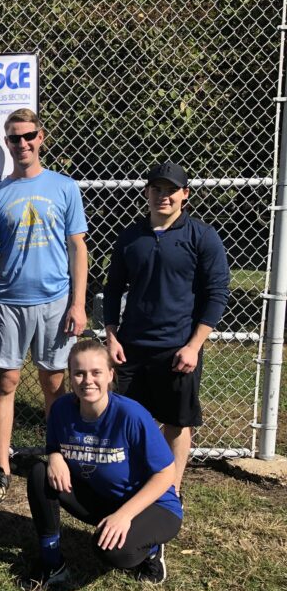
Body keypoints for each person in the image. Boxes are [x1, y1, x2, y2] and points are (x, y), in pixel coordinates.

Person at [0, 108, 89, 507]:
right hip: (9, 301)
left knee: (55, 384)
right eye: (14, 138)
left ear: (41, 137)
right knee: (5, 382)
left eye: (29, 136)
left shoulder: (64, 187)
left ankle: (57, 456)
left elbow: (78, 247)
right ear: (7, 143)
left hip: (56, 302)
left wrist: (78, 303)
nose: (22, 144)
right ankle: (2, 468)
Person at [103, 161, 229, 495]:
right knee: (129, 419)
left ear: (184, 194)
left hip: (177, 349)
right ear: (147, 192)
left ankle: (169, 492)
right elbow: (113, 289)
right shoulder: (131, 237)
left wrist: (193, 346)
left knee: (177, 423)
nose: (164, 197)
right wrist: (112, 336)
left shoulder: (201, 236)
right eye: (157, 189)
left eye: (171, 190)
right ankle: (132, 484)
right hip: (130, 346)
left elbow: (217, 294)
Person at [21, 340, 183, 591]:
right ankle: (52, 561)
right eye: (79, 373)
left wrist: (124, 515)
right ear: (70, 377)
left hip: (152, 504)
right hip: (101, 497)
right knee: (39, 474)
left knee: (114, 553)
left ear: (110, 375)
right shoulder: (61, 408)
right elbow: (53, 444)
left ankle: (151, 550)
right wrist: (54, 457)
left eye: (96, 372)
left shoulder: (130, 414)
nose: (88, 380)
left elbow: (165, 473)